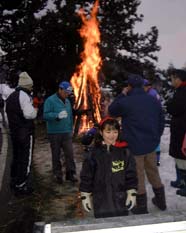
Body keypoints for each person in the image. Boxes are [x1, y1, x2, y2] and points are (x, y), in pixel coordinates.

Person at [108, 74, 166, 214]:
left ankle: (141, 207)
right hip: (151, 145)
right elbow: (161, 120)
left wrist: (122, 95)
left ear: (129, 86)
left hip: (134, 146)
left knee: (138, 176)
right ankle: (161, 202)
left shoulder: (126, 101)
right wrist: (156, 137)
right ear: (141, 85)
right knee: (153, 172)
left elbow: (112, 110)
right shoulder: (153, 100)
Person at [79, 117, 137, 218]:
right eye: (108, 131)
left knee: (121, 224)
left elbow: (131, 174)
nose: (112, 135)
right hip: (101, 199)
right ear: (101, 132)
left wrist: (131, 192)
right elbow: (86, 176)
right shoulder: (93, 153)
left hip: (120, 198)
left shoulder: (124, 152)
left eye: (115, 132)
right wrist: (85, 195)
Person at [6, 71, 37, 196]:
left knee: (17, 157)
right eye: (30, 86)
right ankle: (21, 185)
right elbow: (29, 114)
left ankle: (14, 180)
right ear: (27, 85)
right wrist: (35, 109)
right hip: (25, 133)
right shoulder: (24, 96)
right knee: (25, 158)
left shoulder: (11, 96)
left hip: (14, 132)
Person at [43, 81, 77, 184]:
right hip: (54, 132)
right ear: (60, 89)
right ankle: (57, 174)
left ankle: (70, 173)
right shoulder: (50, 100)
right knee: (56, 154)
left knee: (69, 153)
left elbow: (70, 116)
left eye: (68, 92)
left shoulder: (67, 101)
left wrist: (71, 129)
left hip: (66, 132)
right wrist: (57, 116)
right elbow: (45, 115)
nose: (67, 94)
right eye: (65, 92)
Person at [166, 69, 186, 196]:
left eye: (173, 78)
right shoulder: (180, 91)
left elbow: (175, 108)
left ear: (178, 79)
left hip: (183, 131)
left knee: (182, 158)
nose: (171, 81)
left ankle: (184, 184)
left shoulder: (183, 92)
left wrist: (169, 105)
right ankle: (180, 180)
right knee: (178, 156)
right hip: (180, 129)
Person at [143, 79, 161, 166]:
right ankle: (155, 159)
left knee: (153, 139)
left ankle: (156, 160)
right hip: (153, 119)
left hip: (153, 119)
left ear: (148, 86)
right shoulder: (152, 93)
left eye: (144, 86)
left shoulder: (151, 94)